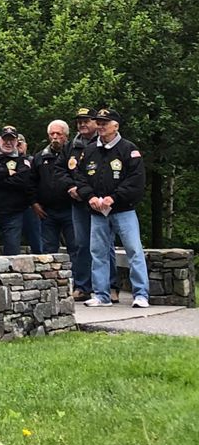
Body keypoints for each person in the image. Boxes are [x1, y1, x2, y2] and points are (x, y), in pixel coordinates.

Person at [76, 108, 150, 308]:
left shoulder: (128, 149)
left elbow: (136, 180)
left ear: (115, 126)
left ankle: (141, 294)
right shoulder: (90, 150)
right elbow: (80, 177)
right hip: (97, 212)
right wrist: (89, 196)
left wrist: (114, 198)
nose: (100, 126)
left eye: (104, 123)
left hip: (123, 210)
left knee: (134, 250)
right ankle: (101, 295)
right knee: (98, 253)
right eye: (98, 122)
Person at [64, 107, 105, 301]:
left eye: (86, 120)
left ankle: (108, 286)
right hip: (79, 203)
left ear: (96, 123)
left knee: (104, 245)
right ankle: (82, 286)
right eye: (79, 121)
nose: (82, 124)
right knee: (81, 244)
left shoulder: (103, 144)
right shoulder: (71, 145)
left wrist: (90, 193)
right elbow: (60, 169)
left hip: (100, 202)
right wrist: (71, 186)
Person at [0, 126, 36, 255]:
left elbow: (23, 181)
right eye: (5, 139)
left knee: (13, 253)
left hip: (14, 214)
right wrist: (7, 172)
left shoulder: (23, 160)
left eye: (12, 140)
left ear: (16, 141)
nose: (8, 143)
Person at [32, 120, 76, 256]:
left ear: (66, 136)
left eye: (59, 133)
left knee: (75, 247)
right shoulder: (39, 157)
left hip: (71, 208)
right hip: (47, 211)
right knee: (48, 250)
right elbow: (31, 182)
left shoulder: (74, 155)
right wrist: (34, 203)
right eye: (52, 134)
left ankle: (78, 277)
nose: (55, 137)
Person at [17, 133, 43, 253]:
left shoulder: (33, 161)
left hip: (31, 205)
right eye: (15, 143)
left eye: (20, 143)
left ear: (26, 145)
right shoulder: (4, 160)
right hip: (13, 205)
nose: (18, 146)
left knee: (36, 237)